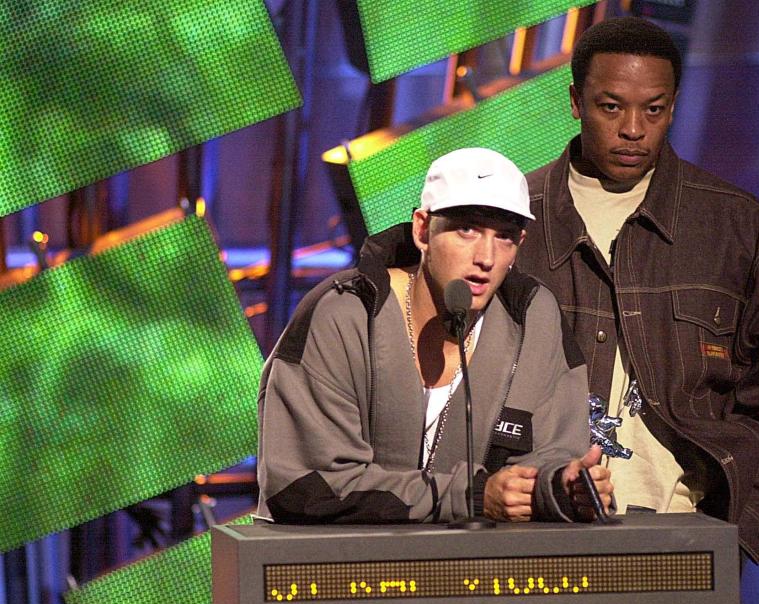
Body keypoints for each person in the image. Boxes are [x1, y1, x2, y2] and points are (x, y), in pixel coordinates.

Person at [515, 17, 759, 563]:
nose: (633, 128)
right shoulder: (510, 223)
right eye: (611, 106)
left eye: (654, 109)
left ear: (673, 107)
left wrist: (736, 533)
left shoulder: (740, 230)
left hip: (682, 546)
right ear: (575, 102)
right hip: (524, 543)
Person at [257, 147, 613, 525]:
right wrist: (469, 497)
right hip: (338, 569)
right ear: (422, 230)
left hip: (476, 573)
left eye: (505, 237)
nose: (486, 257)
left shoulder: (534, 318)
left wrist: (563, 489)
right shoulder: (343, 314)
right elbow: (307, 486)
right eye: (467, 230)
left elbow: (550, 455)